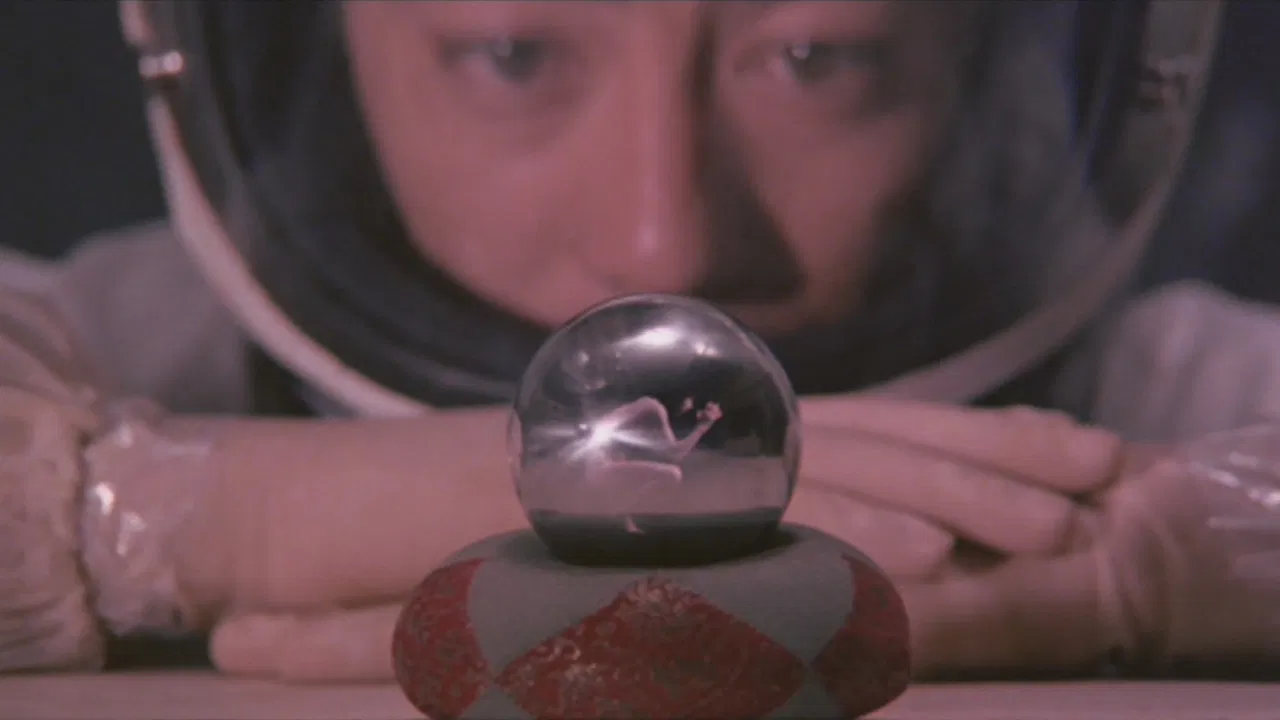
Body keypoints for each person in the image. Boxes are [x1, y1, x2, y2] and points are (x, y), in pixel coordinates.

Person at [3, 0, 1278, 683]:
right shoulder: (131, 345)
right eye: (510, 54)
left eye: (817, 57)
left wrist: (1142, 561)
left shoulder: (1148, 403)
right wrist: (205, 512)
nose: (661, 243)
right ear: (321, 49)